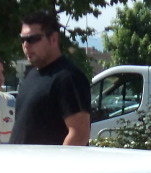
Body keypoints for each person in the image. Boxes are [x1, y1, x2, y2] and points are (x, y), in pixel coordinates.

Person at [9, 10, 90, 146]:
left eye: (33, 39)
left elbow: (79, 135)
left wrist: (58, 166)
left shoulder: (68, 78)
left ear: (53, 39)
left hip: (48, 166)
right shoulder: (32, 75)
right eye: (22, 39)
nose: (26, 45)